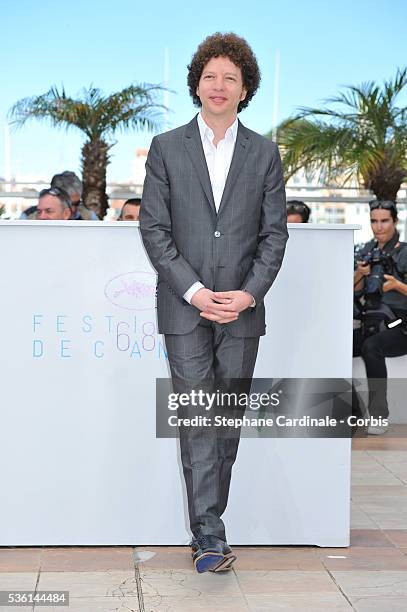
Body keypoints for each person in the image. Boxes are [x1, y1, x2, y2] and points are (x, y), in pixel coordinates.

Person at [140, 32, 288, 573]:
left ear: (245, 87)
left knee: (226, 424)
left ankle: (209, 525)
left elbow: (275, 235)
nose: (218, 85)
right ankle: (209, 536)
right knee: (200, 418)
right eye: (210, 76)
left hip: (243, 310)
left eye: (230, 77)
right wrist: (195, 290)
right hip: (186, 309)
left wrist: (248, 293)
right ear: (196, 85)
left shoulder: (266, 153)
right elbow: (154, 229)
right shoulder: (167, 148)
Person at [353, 199, 407, 434]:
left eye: (384, 221)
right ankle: (352, 413)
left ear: (395, 221)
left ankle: (378, 416)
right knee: (334, 347)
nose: (379, 226)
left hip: (402, 326)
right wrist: (360, 273)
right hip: (373, 321)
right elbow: (354, 292)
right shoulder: (366, 250)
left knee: (371, 346)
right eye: (374, 221)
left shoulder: (405, 252)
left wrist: (397, 285)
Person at [20, 171, 98, 220]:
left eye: (77, 203)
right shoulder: (27, 218)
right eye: (69, 204)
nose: (73, 209)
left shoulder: (88, 217)